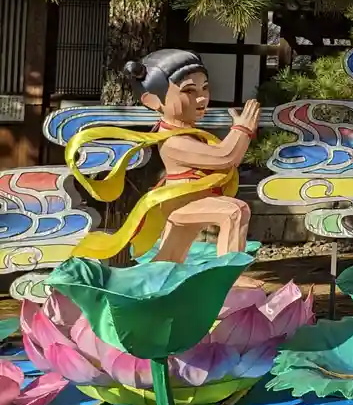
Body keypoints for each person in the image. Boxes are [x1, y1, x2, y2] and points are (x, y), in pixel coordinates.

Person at [66, 49, 259, 263]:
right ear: (153, 101)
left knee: (168, 259)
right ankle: (229, 273)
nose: (202, 97)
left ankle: (152, 277)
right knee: (235, 210)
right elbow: (225, 156)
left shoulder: (187, 133)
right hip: (181, 202)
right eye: (189, 91)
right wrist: (242, 129)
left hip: (193, 198)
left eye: (205, 88)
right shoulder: (173, 141)